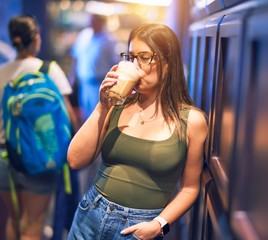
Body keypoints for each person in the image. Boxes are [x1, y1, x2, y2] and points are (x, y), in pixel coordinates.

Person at [67, 23, 208, 239]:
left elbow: (190, 188)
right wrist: (102, 105)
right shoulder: (117, 104)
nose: (135, 65)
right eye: (131, 57)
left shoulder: (191, 121)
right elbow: (75, 160)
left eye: (144, 57)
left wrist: (159, 224)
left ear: (168, 63)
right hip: (91, 215)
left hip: (138, 228)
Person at [0, 15, 80, 240]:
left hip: (4, 158)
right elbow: (68, 116)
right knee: (33, 224)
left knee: (14, 221)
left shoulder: (2, 72)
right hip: (40, 156)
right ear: (36, 39)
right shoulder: (49, 70)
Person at [70, 13, 118, 196]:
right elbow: (75, 62)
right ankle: (86, 154)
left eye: (94, 18)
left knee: (100, 124)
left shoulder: (109, 40)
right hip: (84, 86)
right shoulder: (84, 36)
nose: (91, 21)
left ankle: (97, 164)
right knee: (85, 124)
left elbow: (115, 65)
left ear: (101, 21)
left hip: (100, 85)